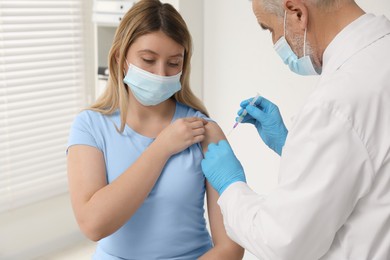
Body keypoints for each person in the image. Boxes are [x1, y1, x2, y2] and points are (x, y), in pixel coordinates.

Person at [201, 0, 390, 259]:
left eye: (270, 29)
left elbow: (283, 241)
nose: (275, 41)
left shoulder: (335, 103)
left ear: (297, 13)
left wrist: (231, 186)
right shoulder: (380, 54)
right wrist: (291, 146)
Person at [66, 0, 244, 259]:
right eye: (148, 60)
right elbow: (93, 224)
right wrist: (161, 147)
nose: (161, 74)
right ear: (121, 58)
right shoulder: (90, 126)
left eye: (173, 63)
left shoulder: (204, 132)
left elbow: (231, 248)